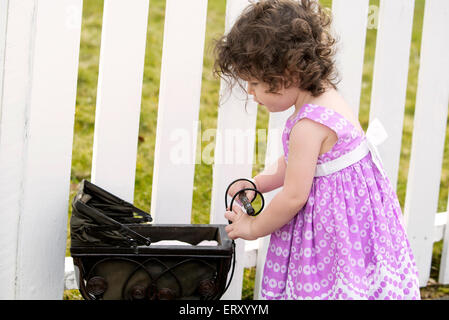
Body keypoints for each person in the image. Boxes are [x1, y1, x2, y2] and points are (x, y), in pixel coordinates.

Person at [213, 0, 421, 300]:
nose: (250, 92)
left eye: (255, 83)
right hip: (354, 222)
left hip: (330, 230)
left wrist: (255, 226)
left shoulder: (307, 126)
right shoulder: (326, 97)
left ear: (289, 73)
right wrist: (260, 182)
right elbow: (300, 162)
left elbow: (295, 196)